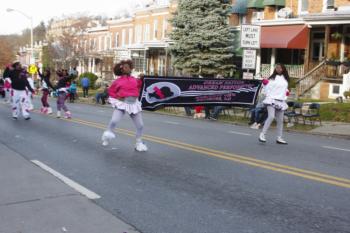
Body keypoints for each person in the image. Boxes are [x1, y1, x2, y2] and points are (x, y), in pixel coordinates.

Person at [101, 60, 147, 152]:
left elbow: (143, 85)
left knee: (140, 125)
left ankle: (139, 142)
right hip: (122, 104)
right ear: (121, 70)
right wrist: (118, 97)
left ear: (130, 68)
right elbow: (111, 92)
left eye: (128, 67)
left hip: (134, 104)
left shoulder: (135, 79)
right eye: (125, 67)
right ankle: (107, 135)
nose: (127, 68)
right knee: (114, 121)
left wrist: (143, 78)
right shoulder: (117, 81)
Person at [259, 63, 290, 144]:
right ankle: (262, 134)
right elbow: (266, 87)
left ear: (283, 69)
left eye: (280, 68)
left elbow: (285, 89)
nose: (278, 69)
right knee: (271, 116)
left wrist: (286, 93)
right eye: (277, 68)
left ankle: (279, 137)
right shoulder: (272, 78)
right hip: (271, 100)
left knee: (280, 121)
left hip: (280, 101)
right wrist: (264, 83)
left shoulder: (285, 79)